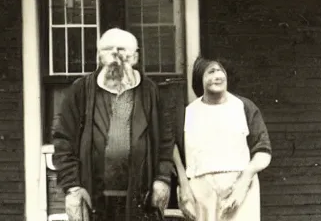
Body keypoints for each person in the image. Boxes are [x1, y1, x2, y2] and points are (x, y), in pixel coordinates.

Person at [52, 28, 174, 221]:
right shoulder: (81, 91)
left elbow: (166, 142)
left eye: (122, 49)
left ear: (135, 57)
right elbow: (63, 142)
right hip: (93, 198)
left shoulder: (150, 92)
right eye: (108, 49)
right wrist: (72, 187)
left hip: (140, 198)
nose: (115, 55)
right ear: (98, 56)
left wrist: (163, 179)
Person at [173, 57, 272, 221]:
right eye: (211, 72)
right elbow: (173, 148)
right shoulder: (188, 112)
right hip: (201, 192)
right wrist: (184, 185)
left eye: (221, 71)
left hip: (239, 190)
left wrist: (245, 179)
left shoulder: (244, 106)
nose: (217, 76)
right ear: (200, 79)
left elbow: (263, 151)